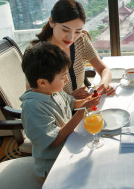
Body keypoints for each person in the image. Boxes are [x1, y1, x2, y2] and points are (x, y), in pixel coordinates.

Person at [20, 42, 100, 183]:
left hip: (67, 147)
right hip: (52, 165)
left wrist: (88, 101)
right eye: (63, 77)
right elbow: (54, 141)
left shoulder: (53, 91)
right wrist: (82, 111)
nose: (67, 80)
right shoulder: (33, 108)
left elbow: (71, 102)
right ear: (42, 82)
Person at [31, 0, 115, 99]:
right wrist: (70, 98)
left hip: (84, 104)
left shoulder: (80, 41)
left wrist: (103, 84)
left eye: (77, 31)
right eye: (65, 30)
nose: (71, 38)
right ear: (51, 22)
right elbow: (34, 97)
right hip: (59, 112)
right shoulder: (37, 54)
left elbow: (104, 69)